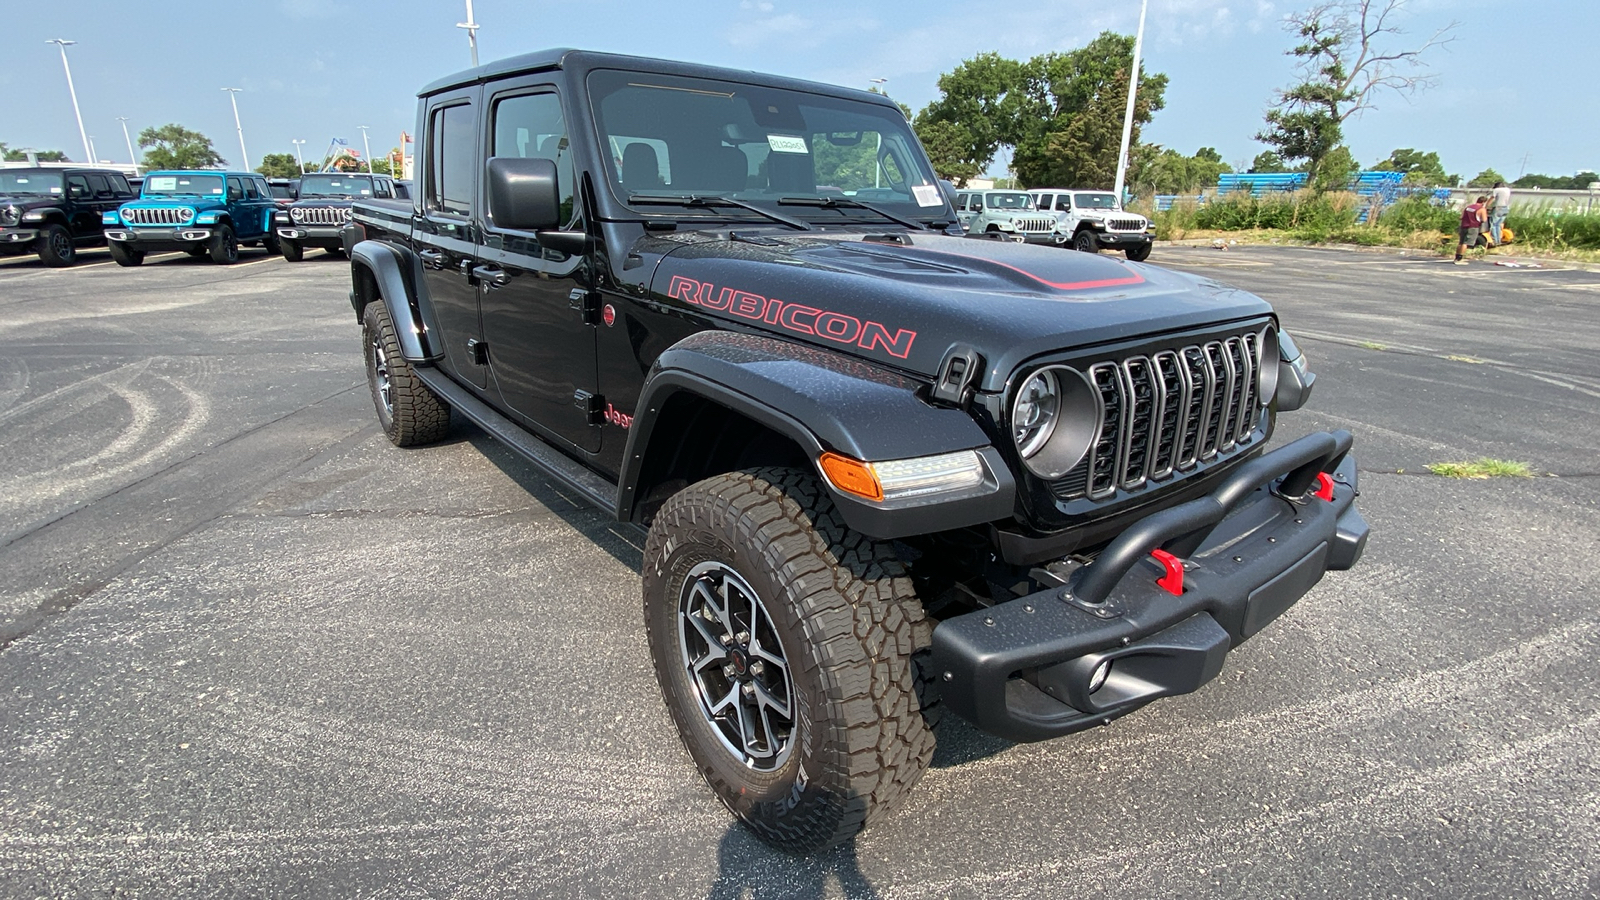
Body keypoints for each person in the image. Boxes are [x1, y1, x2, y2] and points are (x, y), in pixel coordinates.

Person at [1455, 196, 1487, 265]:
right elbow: (1484, 219)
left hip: (1463, 226)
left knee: (1461, 242)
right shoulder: (1482, 209)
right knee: (1465, 243)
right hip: (1473, 227)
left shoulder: (1468, 207)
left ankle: (1456, 257)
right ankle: (1459, 259)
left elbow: (1461, 217)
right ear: (1483, 202)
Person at [1489, 180, 1512, 246]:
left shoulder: (1496, 190)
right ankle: (1499, 240)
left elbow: (1492, 198)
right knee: (1498, 225)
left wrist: (1486, 206)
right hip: (1506, 208)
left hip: (1498, 208)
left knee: (1493, 225)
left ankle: (1494, 240)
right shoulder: (1508, 190)